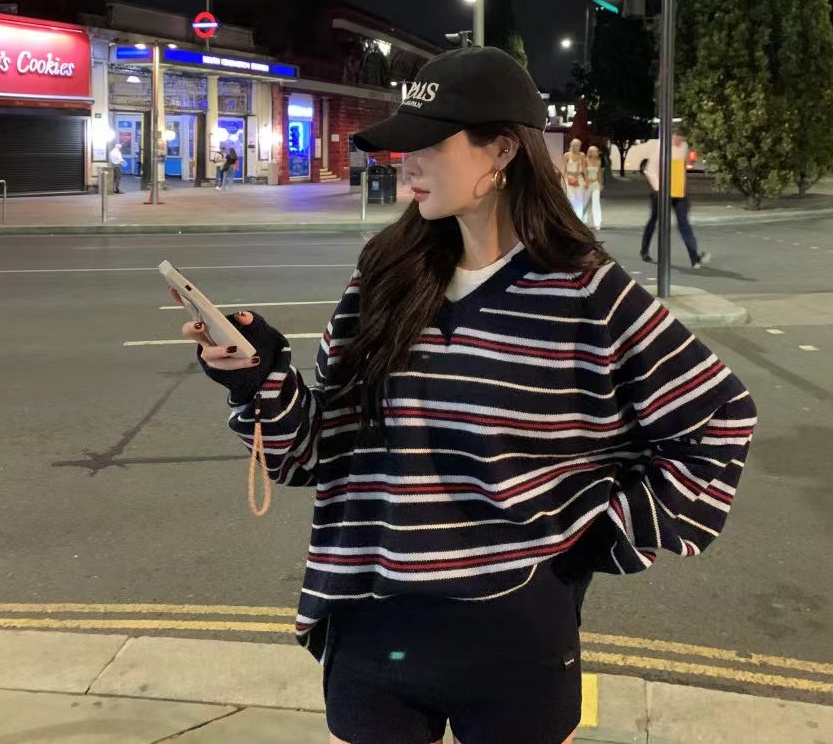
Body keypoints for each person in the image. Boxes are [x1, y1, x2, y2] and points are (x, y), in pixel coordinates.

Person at [175, 47, 756, 744]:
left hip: (517, 637)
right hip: (372, 624)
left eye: (429, 143)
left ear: (503, 149)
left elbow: (720, 420)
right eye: (404, 145)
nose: (407, 163)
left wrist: (598, 535)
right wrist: (256, 374)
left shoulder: (585, 291)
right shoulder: (384, 274)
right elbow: (316, 451)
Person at [640, 130, 710, 268]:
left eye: (682, 138)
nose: (680, 141)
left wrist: (683, 188)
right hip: (661, 192)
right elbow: (650, 170)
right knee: (654, 220)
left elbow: (682, 167)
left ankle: (694, 257)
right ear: (672, 136)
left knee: (684, 223)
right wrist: (659, 189)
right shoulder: (662, 147)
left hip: (679, 192)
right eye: (678, 138)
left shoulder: (683, 147)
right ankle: (644, 250)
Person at [561, 137, 586, 220]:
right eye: (576, 145)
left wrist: (586, 180)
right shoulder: (567, 155)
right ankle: (571, 219)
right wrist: (561, 179)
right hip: (569, 179)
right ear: (572, 146)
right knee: (571, 199)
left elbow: (584, 168)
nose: (578, 147)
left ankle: (579, 219)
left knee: (579, 199)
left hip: (579, 179)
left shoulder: (582, 155)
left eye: (579, 146)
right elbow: (564, 168)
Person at [584, 145, 604, 231]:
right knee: (585, 202)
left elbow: (599, 173)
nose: (596, 153)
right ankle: (583, 221)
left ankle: (597, 223)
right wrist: (586, 182)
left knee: (596, 203)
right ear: (590, 152)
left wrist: (601, 184)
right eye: (595, 151)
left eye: (597, 151)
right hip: (587, 184)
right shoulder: (585, 160)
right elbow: (583, 172)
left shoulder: (598, 161)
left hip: (595, 183)